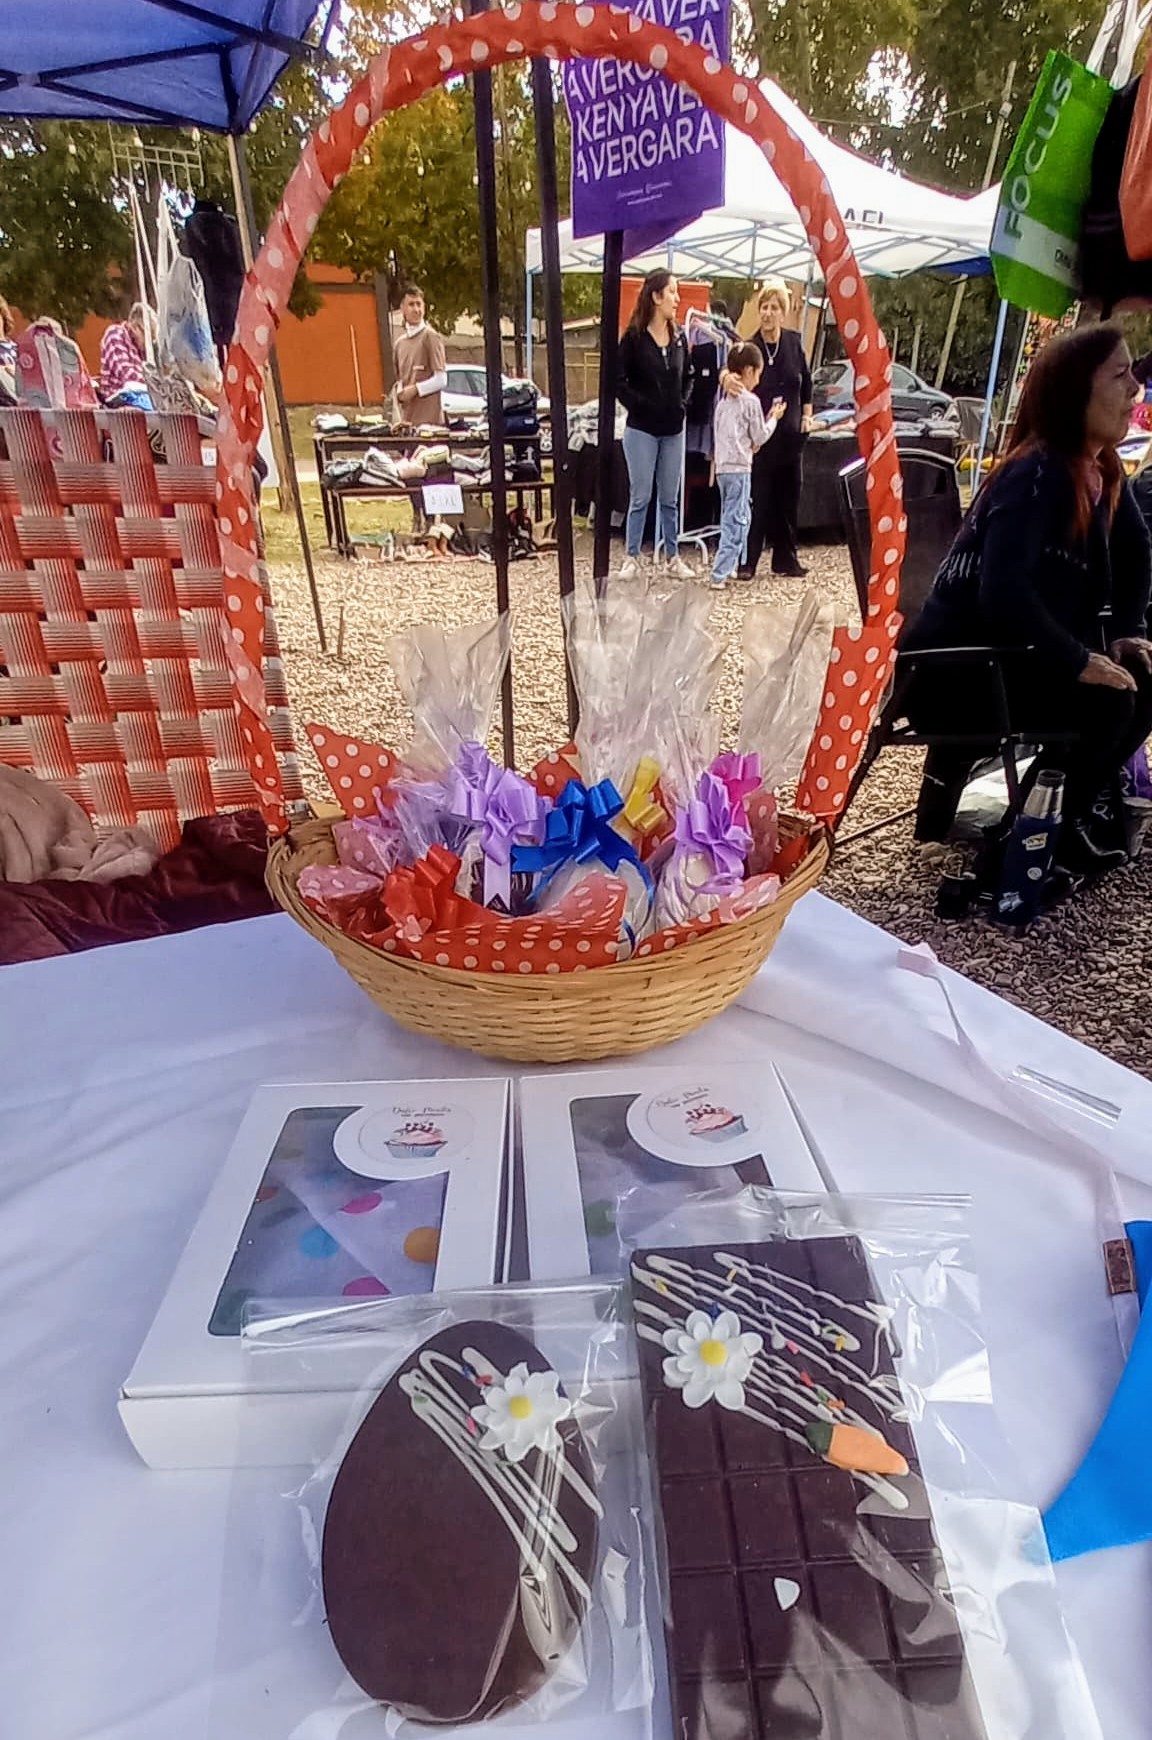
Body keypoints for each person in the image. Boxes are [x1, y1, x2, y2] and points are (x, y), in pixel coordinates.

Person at [903, 323, 1152, 872]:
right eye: (1120, 375)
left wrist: (1129, 629)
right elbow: (1003, 595)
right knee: (1109, 700)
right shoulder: (1036, 474)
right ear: (1075, 392)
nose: (1135, 387)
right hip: (955, 674)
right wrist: (1078, 658)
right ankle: (1024, 844)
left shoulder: (1100, 469)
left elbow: (1137, 552)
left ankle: (1057, 822)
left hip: (1009, 657)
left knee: (1140, 678)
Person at [615, 270, 698, 580]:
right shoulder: (634, 339)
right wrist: (641, 405)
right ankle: (632, 556)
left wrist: (683, 404)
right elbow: (618, 382)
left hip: (672, 429)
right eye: (672, 292)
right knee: (641, 495)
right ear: (656, 296)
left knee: (670, 497)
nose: (677, 299)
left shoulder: (679, 338)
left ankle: (672, 557)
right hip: (642, 429)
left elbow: (689, 376)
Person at [738, 280, 813, 581]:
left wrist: (807, 414)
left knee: (789, 498)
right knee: (759, 499)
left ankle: (786, 560)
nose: (768, 313)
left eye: (774, 308)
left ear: (783, 312)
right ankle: (748, 561)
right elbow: (738, 384)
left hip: (791, 436)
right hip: (762, 438)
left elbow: (806, 382)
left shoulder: (794, 342)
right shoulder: (750, 347)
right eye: (764, 307)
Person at [711, 343, 783, 587]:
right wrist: (773, 418)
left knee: (736, 514)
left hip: (723, 467)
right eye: (758, 374)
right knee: (737, 519)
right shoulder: (751, 402)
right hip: (740, 468)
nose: (758, 380)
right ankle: (720, 572)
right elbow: (760, 435)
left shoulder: (722, 403)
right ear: (750, 371)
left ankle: (731, 563)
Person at [393, 285, 447, 428]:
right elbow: (399, 380)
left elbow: (441, 380)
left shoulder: (431, 337)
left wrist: (415, 389)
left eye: (419, 304)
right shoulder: (399, 344)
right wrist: (400, 392)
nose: (416, 309)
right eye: (411, 304)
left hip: (430, 426)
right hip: (406, 423)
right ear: (402, 308)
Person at [99, 304, 150, 401]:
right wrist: (155, 384)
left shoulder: (140, 348)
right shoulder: (115, 334)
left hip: (138, 396)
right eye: (147, 336)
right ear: (136, 327)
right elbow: (126, 374)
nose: (148, 343)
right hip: (118, 398)